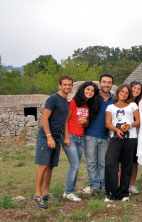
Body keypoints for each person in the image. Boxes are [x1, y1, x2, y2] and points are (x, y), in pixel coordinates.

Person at [33, 75, 73, 209]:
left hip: (57, 137)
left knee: (50, 166)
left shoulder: (65, 101)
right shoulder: (53, 99)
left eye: (69, 85)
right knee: (43, 165)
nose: (67, 87)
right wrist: (49, 137)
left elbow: (64, 121)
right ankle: (37, 195)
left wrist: (65, 137)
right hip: (47, 136)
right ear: (59, 86)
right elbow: (44, 118)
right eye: (65, 84)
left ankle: (46, 193)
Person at [62, 81, 100, 201]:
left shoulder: (87, 105)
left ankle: (70, 190)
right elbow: (65, 120)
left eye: (92, 91)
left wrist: (86, 122)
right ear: (82, 90)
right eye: (88, 89)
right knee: (75, 165)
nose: (90, 92)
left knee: (76, 165)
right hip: (71, 137)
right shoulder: (73, 103)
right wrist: (66, 137)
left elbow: (86, 123)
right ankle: (68, 191)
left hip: (80, 138)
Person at [104, 84, 140, 202]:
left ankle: (125, 192)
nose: (124, 94)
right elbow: (108, 123)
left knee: (127, 165)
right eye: (122, 91)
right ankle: (112, 193)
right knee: (110, 162)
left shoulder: (133, 105)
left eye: (126, 93)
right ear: (118, 92)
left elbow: (138, 121)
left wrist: (130, 125)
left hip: (131, 138)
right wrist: (116, 130)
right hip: (115, 137)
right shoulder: (110, 107)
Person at [83, 74, 114, 195]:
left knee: (103, 162)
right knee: (91, 162)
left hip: (105, 135)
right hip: (90, 134)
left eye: (109, 82)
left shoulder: (114, 99)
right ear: (100, 83)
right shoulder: (93, 97)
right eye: (104, 82)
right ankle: (94, 185)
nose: (106, 84)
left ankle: (103, 184)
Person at [117, 80, 142, 195]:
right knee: (120, 162)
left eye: (139, 89)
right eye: (134, 88)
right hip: (122, 134)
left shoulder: (141, 103)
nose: (136, 90)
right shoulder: (122, 102)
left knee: (134, 162)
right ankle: (119, 184)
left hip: (136, 134)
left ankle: (131, 185)